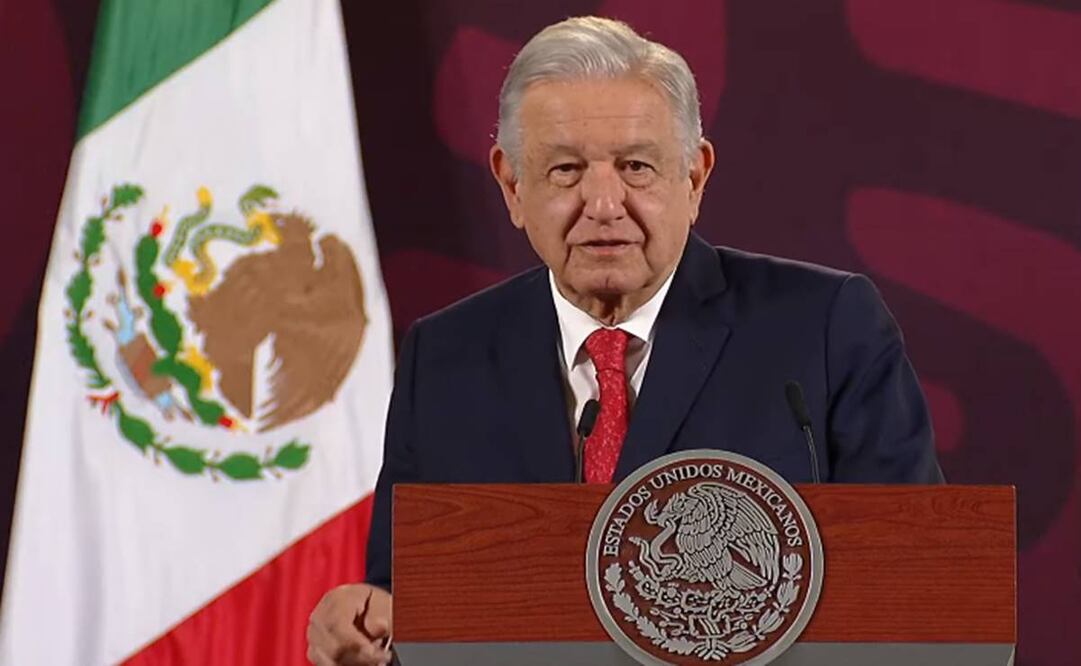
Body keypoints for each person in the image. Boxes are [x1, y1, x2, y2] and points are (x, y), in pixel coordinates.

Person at [306, 15, 943, 666]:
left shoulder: (822, 328)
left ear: (693, 178)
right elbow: (406, 600)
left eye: (635, 167)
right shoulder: (446, 357)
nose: (603, 203)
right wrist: (362, 622)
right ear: (511, 185)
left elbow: (916, 580)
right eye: (565, 170)